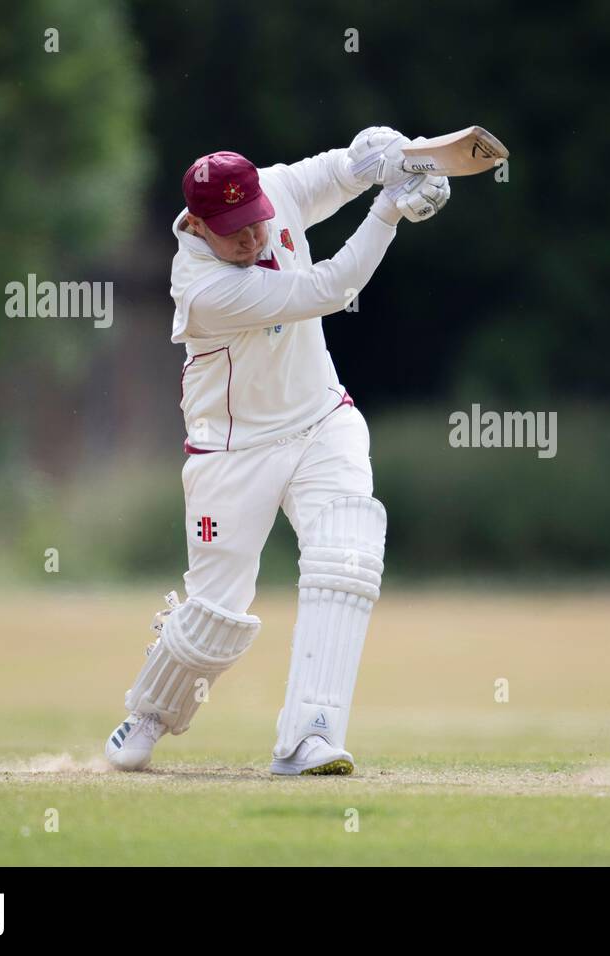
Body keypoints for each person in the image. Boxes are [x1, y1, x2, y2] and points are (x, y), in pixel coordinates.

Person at [104, 128, 450, 775]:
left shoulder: (273, 191)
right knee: (215, 621)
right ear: (197, 225)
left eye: (256, 221)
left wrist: (382, 156)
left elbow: (338, 172)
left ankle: (309, 737)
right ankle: (149, 713)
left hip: (322, 418)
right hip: (233, 451)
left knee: (347, 557)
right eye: (234, 229)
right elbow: (330, 290)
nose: (253, 237)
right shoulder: (202, 289)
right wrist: (390, 210)